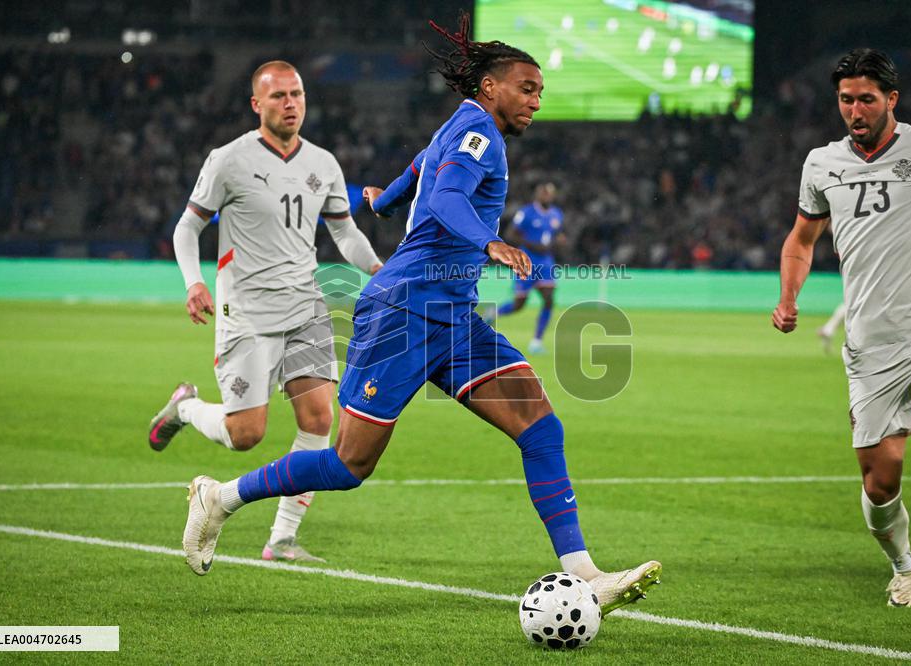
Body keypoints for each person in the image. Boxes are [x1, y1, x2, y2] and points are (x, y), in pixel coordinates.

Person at [180, 14, 661, 613]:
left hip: (453, 316)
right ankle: (220, 498)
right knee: (349, 464)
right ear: (490, 86)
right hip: (404, 310)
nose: (536, 101)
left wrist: (383, 201)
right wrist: (489, 242)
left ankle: (585, 574)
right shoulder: (480, 133)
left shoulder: (458, 127)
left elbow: (417, 172)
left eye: (540, 92)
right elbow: (447, 195)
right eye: (527, 89)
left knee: (540, 426)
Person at [149, 60, 383, 564]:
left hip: (306, 306)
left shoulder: (324, 163)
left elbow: (344, 231)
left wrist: (378, 270)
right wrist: (193, 282)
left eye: (296, 94)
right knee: (246, 435)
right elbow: (188, 227)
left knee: (319, 418)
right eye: (278, 96)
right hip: (247, 311)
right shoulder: (228, 160)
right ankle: (185, 408)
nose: (290, 103)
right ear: (257, 104)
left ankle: (282, 538)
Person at [772, 48, 911, 608]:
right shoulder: (821, 164)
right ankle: (904, 566)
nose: (855, 110)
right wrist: (788, 297)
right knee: (881, 481)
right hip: (873, 346)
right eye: (846, 100)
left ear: (891, 99)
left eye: (867, 100)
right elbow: (801, 240)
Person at [493, 182, 565, 354]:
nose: (546, 196)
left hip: (546, 263)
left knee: (549, 299)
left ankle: (536, 342)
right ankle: (493, 313)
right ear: (537, 195)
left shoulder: (556, 214)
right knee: (519, 305)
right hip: (526, 261)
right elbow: (511, 233)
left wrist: (559, 241)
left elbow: (557, 234)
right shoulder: (526, 212)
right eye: (543, 193)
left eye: (549, 193)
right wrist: (531, 244)